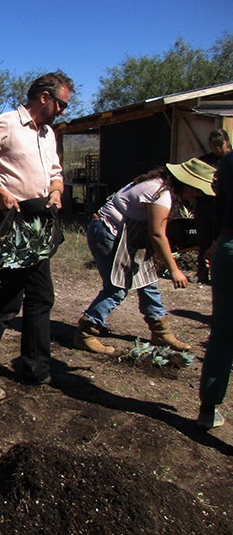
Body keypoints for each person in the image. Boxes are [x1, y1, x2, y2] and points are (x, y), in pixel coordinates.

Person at [0, 71, 74, 397]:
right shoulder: (7, 124)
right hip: (11, 221)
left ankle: (34, 366)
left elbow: (55, 173)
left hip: (40, 220)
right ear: (45, 97)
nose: (64, 111)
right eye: (61, 103)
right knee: (9, 298)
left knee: (42, 295)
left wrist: (56, 192)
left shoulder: (48, 134)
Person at [73, 159, 214, 354]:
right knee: (117, 287)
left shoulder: (160, 184)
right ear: (185, 182)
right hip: (109, 233)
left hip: (127, 236)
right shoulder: (161, 194)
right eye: (196, 189)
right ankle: (85, 333)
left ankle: (160, 331)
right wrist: (174, 269)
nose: (197, 194)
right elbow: (157, 235)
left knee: (148, 280)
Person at [198, 149, 233, 429]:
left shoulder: (230, 161)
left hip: (228, 246)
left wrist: (215, 243)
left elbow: (218, 209)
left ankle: (208, 411)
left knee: (222, 333)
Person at [193, 129, 231, 283]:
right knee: (203, 241)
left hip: (226, 208)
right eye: (214, 145)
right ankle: (202, 272)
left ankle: (222, 274)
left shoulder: (230, 161)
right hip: (206, 205)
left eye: (220, 144)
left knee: (224, 241)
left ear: (227, 142)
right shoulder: (203, 161)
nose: (217, 148)